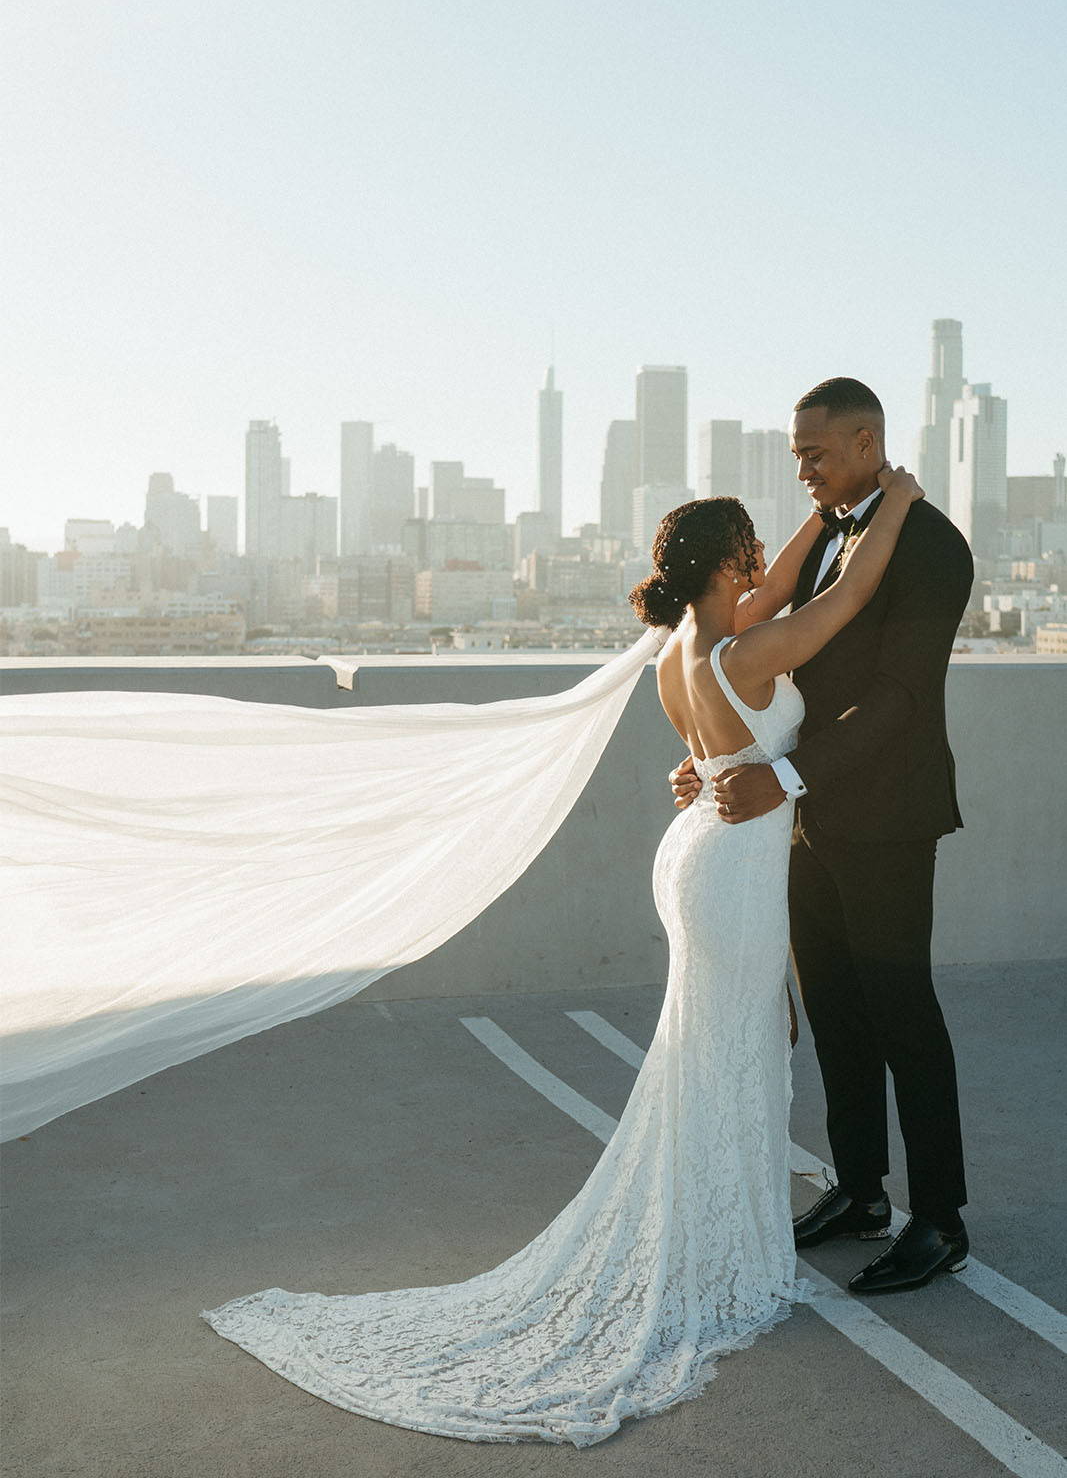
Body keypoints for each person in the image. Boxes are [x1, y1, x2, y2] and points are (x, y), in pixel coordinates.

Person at [198, 459, 925, 1445]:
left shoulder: (680, 650)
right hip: (727, 877)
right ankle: (726, 1257)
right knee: (732, 1062)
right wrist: (900, 504)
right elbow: (838, 599)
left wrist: (810, 515)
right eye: (749, 553)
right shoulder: (745, 653)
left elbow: (768, 616)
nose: (763, 566)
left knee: (721, 1055)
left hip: (699, 862)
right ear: (728, 564)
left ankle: (718, 1237)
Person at [669, 377, 974, 1296]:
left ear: (866, 439)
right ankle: (861, 1191)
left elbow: (899, 696)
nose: (799, 469)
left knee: (900, 1011)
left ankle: (940, 1218)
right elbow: (762, 656)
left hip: (882, 817)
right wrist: (721, 763)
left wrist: (784, 776)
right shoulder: (828, 539)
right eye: (796, 453)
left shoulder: (929, 545)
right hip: (792, 823)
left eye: (813, 453)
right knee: (836, 1012)